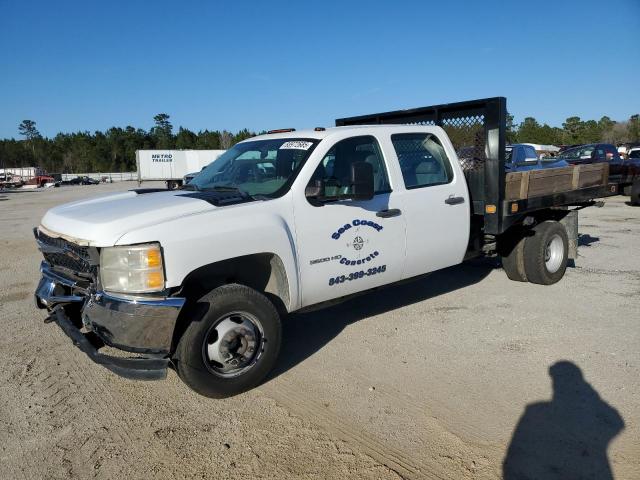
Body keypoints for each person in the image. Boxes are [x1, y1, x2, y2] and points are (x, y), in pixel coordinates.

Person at [503, 361, 624, 480]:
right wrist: (592, 393)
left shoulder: (535, 410)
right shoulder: (535, 410)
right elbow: (617, 422)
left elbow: (511, 460)